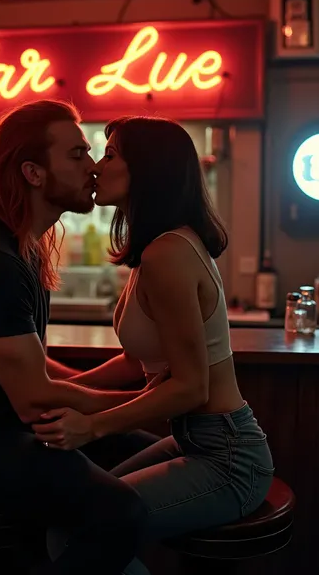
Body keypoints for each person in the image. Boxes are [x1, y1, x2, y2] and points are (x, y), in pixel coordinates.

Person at [0, 100, 160, 575]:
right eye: (77, 154)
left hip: (11, 433)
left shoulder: (20, 249)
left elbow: (36, 367)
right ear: (33, 172)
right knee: (122, 512)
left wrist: (121, 395)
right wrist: (141, 401)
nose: (92, 167)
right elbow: (34, 398)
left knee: (148, 449)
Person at [33, 117, 275, 555]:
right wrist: (66, 390)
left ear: (146, 170)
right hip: (198, 441)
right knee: (70, 513)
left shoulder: (168, 253)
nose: (95, 168)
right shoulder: (157, 249)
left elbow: (190, 386)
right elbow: (136, 361)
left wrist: (92, 425)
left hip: (229, 459)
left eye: (109, 156)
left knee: (72, 532)